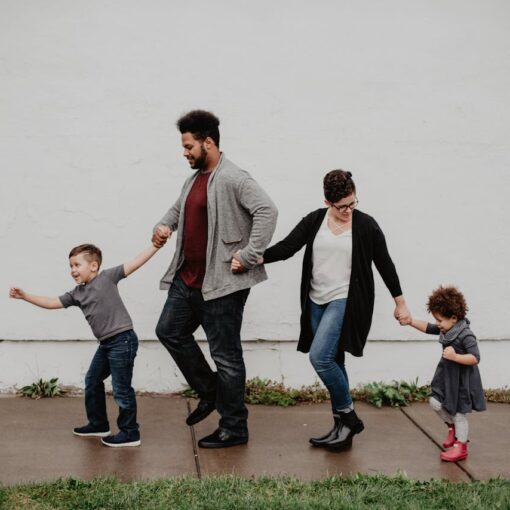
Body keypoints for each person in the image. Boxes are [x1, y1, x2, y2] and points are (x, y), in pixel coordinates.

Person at [233, 170, 410, 451]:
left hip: (345, 300)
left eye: (352, 203)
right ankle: (342, 429)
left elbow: (385, 264)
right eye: (342, 207)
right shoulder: (315, 220)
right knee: (335, 360)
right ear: (328, 202)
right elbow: (287, 247)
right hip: (315, 301)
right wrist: (252, 259)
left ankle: (349, 417)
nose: (348, 210)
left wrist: (400, 303)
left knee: (320, 358)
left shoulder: (366, 225)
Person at [152, 110, 277, 448]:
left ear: (208, 142)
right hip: (188, 279)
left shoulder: (234, 177)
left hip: (221, 284)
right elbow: (178, 209)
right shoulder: (194, 179)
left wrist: (248, 255)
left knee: (226, 356)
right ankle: (210, 391)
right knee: (169, 331)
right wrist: (163, 226)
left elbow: (267, 211)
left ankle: (234, 427)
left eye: (188, 146)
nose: (184, 152)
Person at [9, 241, 164, 447]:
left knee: (121, 388)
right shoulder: (77, 293)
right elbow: (52, 302)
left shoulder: (107, 277)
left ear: (93, 266)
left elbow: (136, 262)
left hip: (123, 340)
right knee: (92, 380)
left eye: (77, 265)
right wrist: (25, 296)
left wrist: (156, 246)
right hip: (106, 344)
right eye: (71, 266)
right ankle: (98, 424)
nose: (73, 270)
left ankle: (130, 433)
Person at [400, 286, 485, 462]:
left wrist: (455, 357)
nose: (437, 323)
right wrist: (410, 321)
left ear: (454, 318)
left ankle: (461, 446)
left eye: (440, 320)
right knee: (435, 402)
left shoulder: (466, 335)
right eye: (436, 319)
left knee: (459, 414)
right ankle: (451, 427)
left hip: (461, 381)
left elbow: (475, 358)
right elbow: (428, 327)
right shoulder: (446, 329)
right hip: (446, 377)